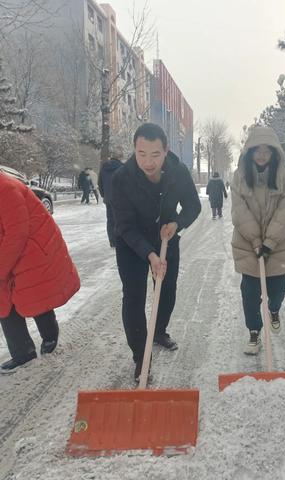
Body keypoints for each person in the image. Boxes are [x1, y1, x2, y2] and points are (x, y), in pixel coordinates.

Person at [111, 123, 201, 381]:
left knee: (166, 289)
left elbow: (193, 206)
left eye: (154, 154)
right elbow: (124, 226)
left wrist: (177, 223)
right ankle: (141, 355)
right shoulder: (122, 178)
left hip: (166, 237)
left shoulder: (178, 173)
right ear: (134, 150)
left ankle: (159, 331)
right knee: (134, 297)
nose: (147, 162)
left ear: (166, 151)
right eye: (141, 154)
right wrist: (150, 255)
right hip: (132, 245)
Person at [0, 171, 80, 371]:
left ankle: (50, 335)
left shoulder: (7, 189)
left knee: (34, 295)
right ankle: (22, 352)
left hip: (31, 249)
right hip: (8, 247)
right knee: (3, 302)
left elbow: (17, 233)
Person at [231, 126, 285, 355]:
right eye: (256, 150)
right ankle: (254, 333)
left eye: (266, 150)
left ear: (274, 153)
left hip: (278, 245)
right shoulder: (239, 177)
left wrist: (270, 242)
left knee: (277, 288)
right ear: (249, 151)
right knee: (250, 294)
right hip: (248, 244)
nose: (261, 155)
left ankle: (274, 309)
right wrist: (256, 240)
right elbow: (239, 210)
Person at [99, 148, 124, 247]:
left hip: (108, 198)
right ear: (120, 157)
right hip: (120, 198)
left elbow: (100, 183)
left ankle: (112, 241)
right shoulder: (122, 167)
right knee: (120, 219)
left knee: (110, 220)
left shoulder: (104, 168)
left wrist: (104, 195)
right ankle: (120, 239)